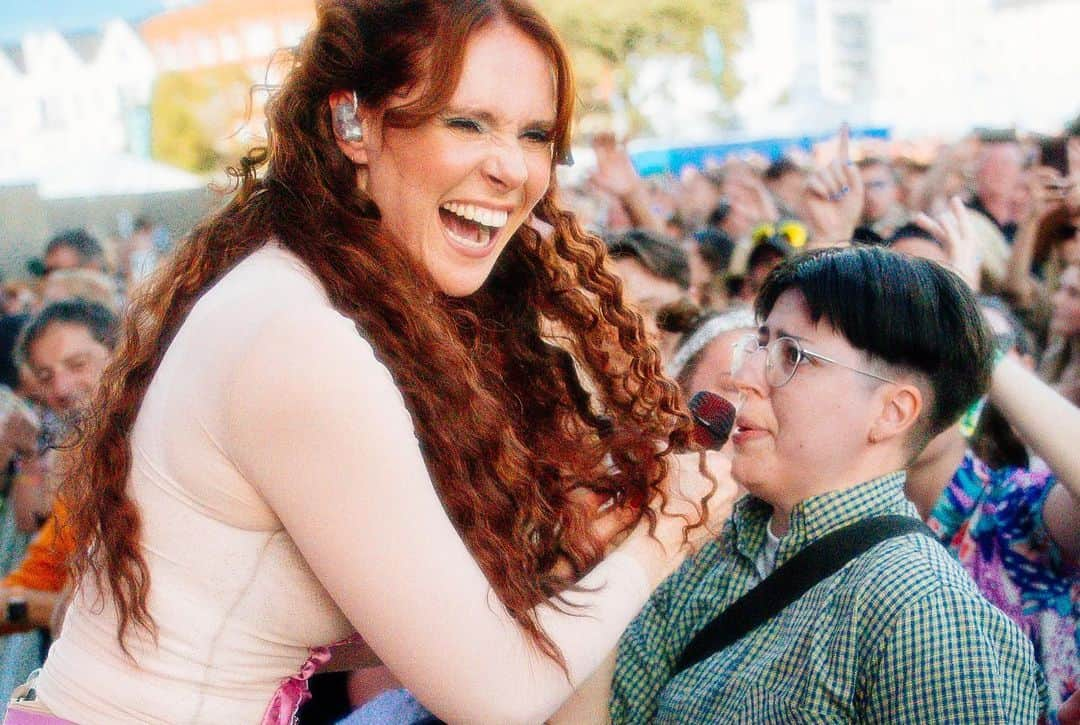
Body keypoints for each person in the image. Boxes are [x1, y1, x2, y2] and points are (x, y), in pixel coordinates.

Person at [11, 2, 735, 723]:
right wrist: (669, 525)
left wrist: (566, 555)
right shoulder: (299, 340)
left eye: (536, 134)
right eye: (467, 122)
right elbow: (498, 699)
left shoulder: (299, 291)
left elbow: (280, 610)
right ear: (353, 121)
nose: (512, 168)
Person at [554, 246, 1046, 723]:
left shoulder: (925, 613)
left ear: (891, 412)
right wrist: (608, 554)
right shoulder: (712, 544)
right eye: (762, 344)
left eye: (794, 355)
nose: (745, 375)